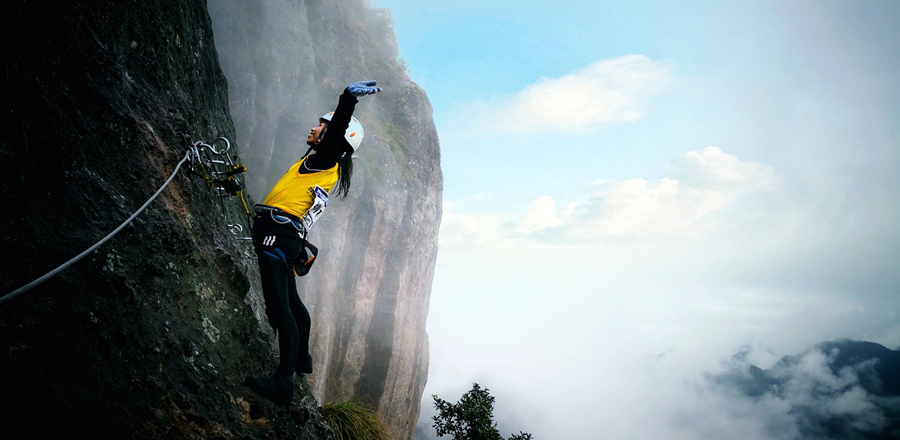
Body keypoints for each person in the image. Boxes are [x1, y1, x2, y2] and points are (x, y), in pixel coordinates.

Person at [244, 80, 382, 406]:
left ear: (332, 136)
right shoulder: (316, 165)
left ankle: (284, 380)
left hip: (278, 235)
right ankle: (302, 357)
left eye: (320, 125)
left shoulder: (325, 159)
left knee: (280, 308)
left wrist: (347, 102)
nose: (314, 127)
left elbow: (335, 137)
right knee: (292, 303)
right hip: (286, 235)